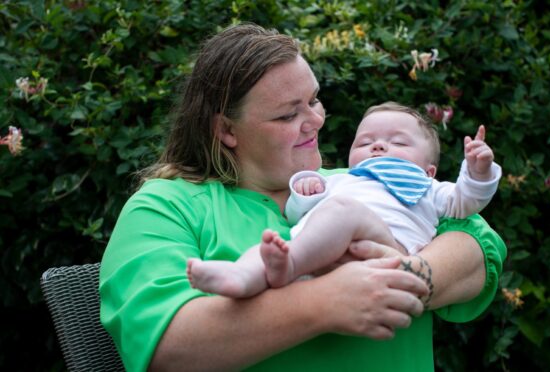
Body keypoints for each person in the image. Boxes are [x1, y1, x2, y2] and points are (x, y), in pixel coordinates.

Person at [99, 23, 506, 372]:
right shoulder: (166, 206)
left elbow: (478, 247)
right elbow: (166, 348)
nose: (315, 120)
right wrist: (324, 303)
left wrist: (406, 274)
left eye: (312, 100)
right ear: (226, 129)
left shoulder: (354, 181)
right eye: (287, 114)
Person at [186, 102, 502, 299]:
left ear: (429, 169)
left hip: (385, 247)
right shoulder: (340, 179)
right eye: (365, 141)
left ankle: (289, 266)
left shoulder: (430, 188)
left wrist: (478, 172)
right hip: (319, 252)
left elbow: (467, 202)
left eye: (398, 142)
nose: (379, 146)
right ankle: (242, 277)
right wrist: (308, 192)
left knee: (341, 212)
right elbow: (296, 215)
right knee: (271, 246)